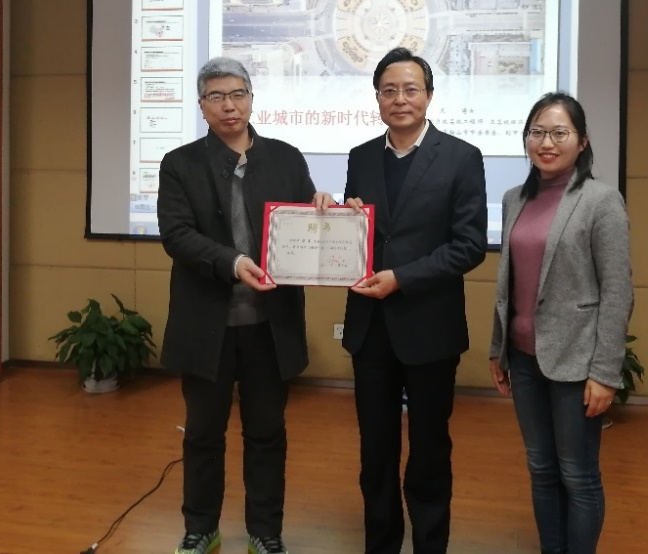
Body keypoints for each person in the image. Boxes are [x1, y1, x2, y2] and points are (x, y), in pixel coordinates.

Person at [158, 57, 330, 554]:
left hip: (269, 326)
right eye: (216, 97)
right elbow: (177, 235)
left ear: (251, 99)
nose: (228, 105)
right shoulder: (180, 163)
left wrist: (326, 209)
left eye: (237, 94)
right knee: (202, 434)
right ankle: (201, 528)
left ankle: (265, 532)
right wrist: (232, 263)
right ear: (202, 106)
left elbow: (303, 225)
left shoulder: (285, 158)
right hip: (207, 325)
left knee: (267, 433)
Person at [342, 47, 488, 554]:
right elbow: (359, 236)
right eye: (389, 90)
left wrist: (401, 278)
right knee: (375, 452)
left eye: (410, 89)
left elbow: (469, 246)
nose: (399, 99)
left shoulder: (461, 157)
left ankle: (430, 544)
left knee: (429, 450)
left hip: (430, 327)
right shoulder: (361, 157)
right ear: (377, 98)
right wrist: (338, 218)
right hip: (370, 328)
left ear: (429, 95)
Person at [488, 92, 634, 554]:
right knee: (541, 468)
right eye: (537, 132)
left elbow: (618, 291)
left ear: (582, 141)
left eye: (559, 133)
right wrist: (499, 348)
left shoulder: (601, 201)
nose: (546, 143)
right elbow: (510, 283)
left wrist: (605, 372)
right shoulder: (514, 199)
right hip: (524, 358)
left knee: (578, 475)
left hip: (577, 361)